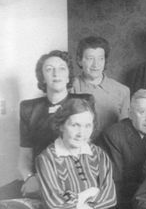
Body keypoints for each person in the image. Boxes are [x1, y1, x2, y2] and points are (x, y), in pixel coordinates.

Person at [0, 50, 93, 200]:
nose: (56, 73)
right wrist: (29, 178)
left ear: (69, 74)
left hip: (70, 177)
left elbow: (83, 150)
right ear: (42, 77)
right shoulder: (28, 108)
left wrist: (45, 181)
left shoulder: (84, 102)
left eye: (62, 68)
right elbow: (25, 155)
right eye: (49, 69)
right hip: (36, 177)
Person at [35, 98, 121, 209]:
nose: (82, 133)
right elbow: (54, 206)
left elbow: (110, 197)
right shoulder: (46, 159)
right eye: (75, 125)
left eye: (88, 126)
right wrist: (90, 194)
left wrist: (74, 199)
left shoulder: (99, 154)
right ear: (61, 125)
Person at [71, 36, 130, 137]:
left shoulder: (122, 91)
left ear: (105, 61)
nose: (96, 64)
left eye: (100, 59)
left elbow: (124, 131)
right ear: (80, 60)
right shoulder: (70, 87)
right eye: (90, 59)